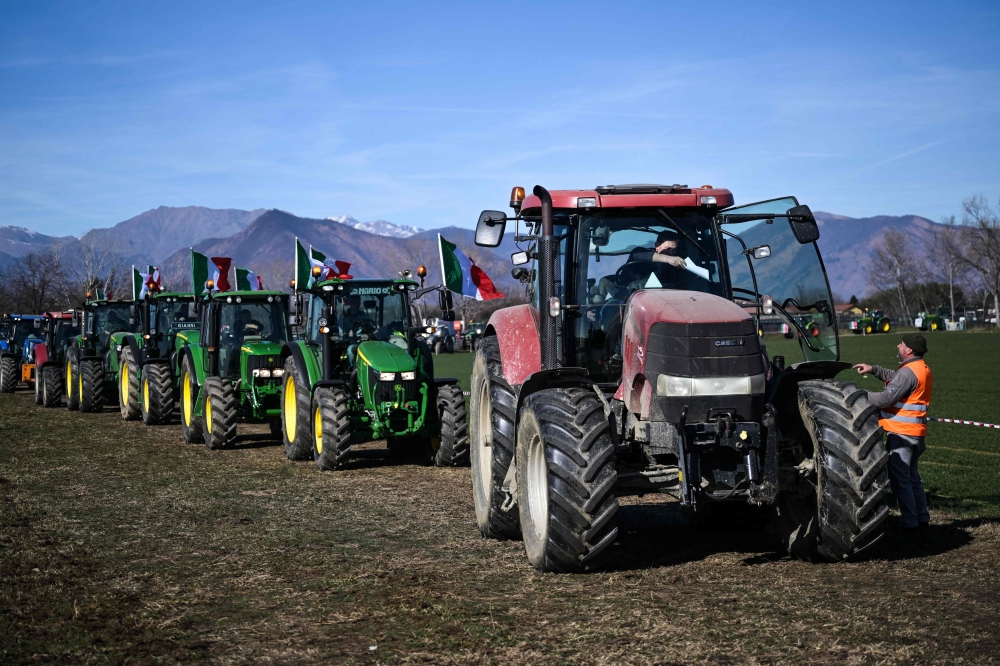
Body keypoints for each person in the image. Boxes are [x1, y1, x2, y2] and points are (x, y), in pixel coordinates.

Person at [853, 333, 932, 544]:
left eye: (901, 344)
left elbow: (886, 397)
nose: (898, 346)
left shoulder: (908, 373)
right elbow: (898, 379)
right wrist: (874, 369)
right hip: (916, 435)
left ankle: (910, 525)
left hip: (902, 436)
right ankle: (922, 521)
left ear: (909, 350)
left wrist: (857, 395)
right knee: (913, 479)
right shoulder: (919, 368)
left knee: (900, 482)